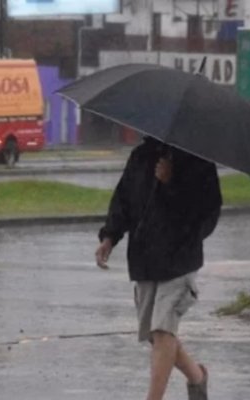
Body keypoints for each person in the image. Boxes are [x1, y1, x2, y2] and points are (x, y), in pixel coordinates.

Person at [95, 136, 222, 400]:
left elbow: (207, 212)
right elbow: (123, 200)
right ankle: (197, 377)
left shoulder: (198, 161)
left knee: (163, 329)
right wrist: (109, 237)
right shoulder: (141, 156)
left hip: (180, 259)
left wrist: (172, 183)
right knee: (156, 335)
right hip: (144, 258)